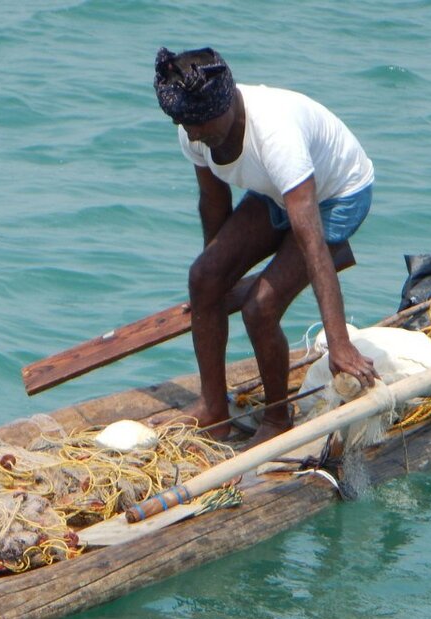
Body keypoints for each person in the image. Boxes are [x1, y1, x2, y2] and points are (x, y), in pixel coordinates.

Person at [153, 46, 379, 442]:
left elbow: (310, 242)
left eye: (199, 124)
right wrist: (218, 278)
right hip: (275, 190)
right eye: (184, 124)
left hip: (336, 195)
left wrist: (339, 345)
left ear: (229, 105)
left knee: (260, 306)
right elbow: (213, 201)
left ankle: (276, 420)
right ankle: (213, 408)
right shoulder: (195, 126)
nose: (192, 133)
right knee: (203, 276)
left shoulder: (276, 135)